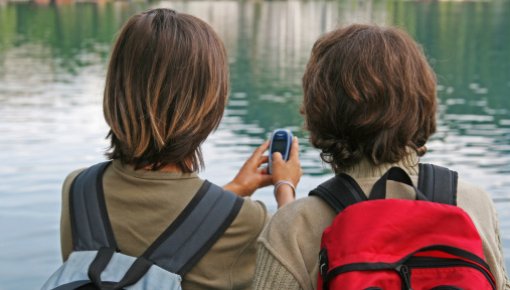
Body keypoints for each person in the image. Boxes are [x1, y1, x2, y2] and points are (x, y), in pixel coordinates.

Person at [253, 24, 510, 290]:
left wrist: (285, 192)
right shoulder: (473, 203)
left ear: (319, 109)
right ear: (423, 100)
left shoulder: (294, 226)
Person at [59, 8, 300, 290]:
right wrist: (285, 186)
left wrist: (236, 187)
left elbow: (153, 227)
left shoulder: (80, 190)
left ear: (116, 88)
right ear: (210, 103)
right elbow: (297, 272)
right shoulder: (247, 222)